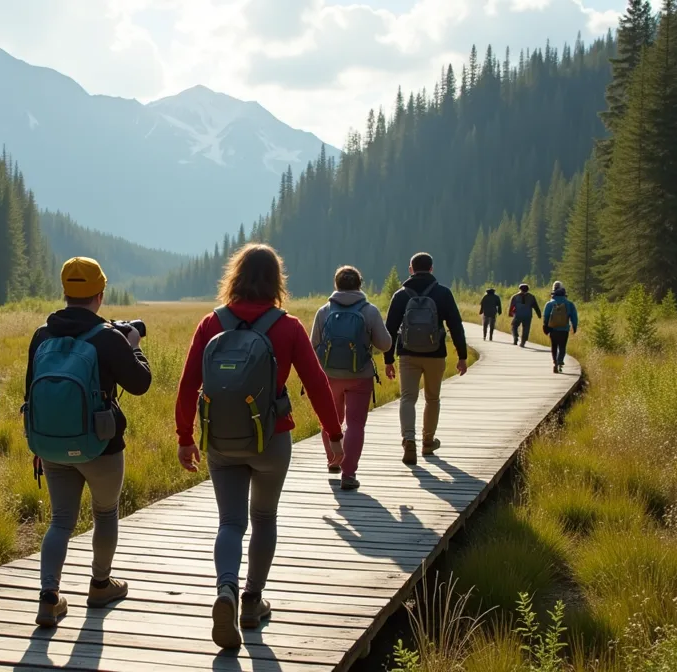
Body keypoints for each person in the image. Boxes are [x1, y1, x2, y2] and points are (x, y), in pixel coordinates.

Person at [175, 244, 344, 650]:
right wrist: (333, 434)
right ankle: (252, 601)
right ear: (276, 281)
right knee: (264, 517)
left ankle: (226, 591)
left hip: (221, 441)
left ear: (234, 276)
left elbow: (186, 387)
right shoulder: (287, 326)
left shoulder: (210, 324)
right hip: (272, 438)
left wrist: (185, 438)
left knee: (230, 523)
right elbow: (318, 382)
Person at [25, 258, 152, 627]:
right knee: (105, 513)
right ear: (100, 294)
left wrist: (38, 445)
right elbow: (141, 384)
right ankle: (99, 584)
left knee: (60, 520)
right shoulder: (109, 337)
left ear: (65, 293)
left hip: (50, 445)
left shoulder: (41, 336)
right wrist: (134, 345)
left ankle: (49, 597)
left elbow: (31, 392)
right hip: (101, 445)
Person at [311, 265, 394, 491]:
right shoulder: (369, 311)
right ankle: (348, 474)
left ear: (336, 285)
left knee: (331, 420)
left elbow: (313, 345)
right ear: (360, 284)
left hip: (329, 375)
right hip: (360, 376)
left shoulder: (324, 311)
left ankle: (333, 461)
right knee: (355, 424)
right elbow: (385, 344)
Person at [384, 252, 468, 466]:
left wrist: (388, 359)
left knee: (407, 398)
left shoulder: (401, 295)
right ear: (431, 269)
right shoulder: (443, 293)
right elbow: (456, 326)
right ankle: (428, 441)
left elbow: (390, 330)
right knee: (432, 398)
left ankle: (409, 440)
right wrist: (462, 355)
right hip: (435, 353)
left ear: (410, 269)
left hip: (407, 354)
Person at [542, 281, 579, 374]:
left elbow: (546, 316)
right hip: (564, 329)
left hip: (553, 329)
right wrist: (574, 326)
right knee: (562, 346)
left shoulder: (549, 304)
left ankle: (555, 362)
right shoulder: (569, 304)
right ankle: (560, 360)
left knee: (554, 346)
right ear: (565, 294)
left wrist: (545, 326)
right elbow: (574, 317)